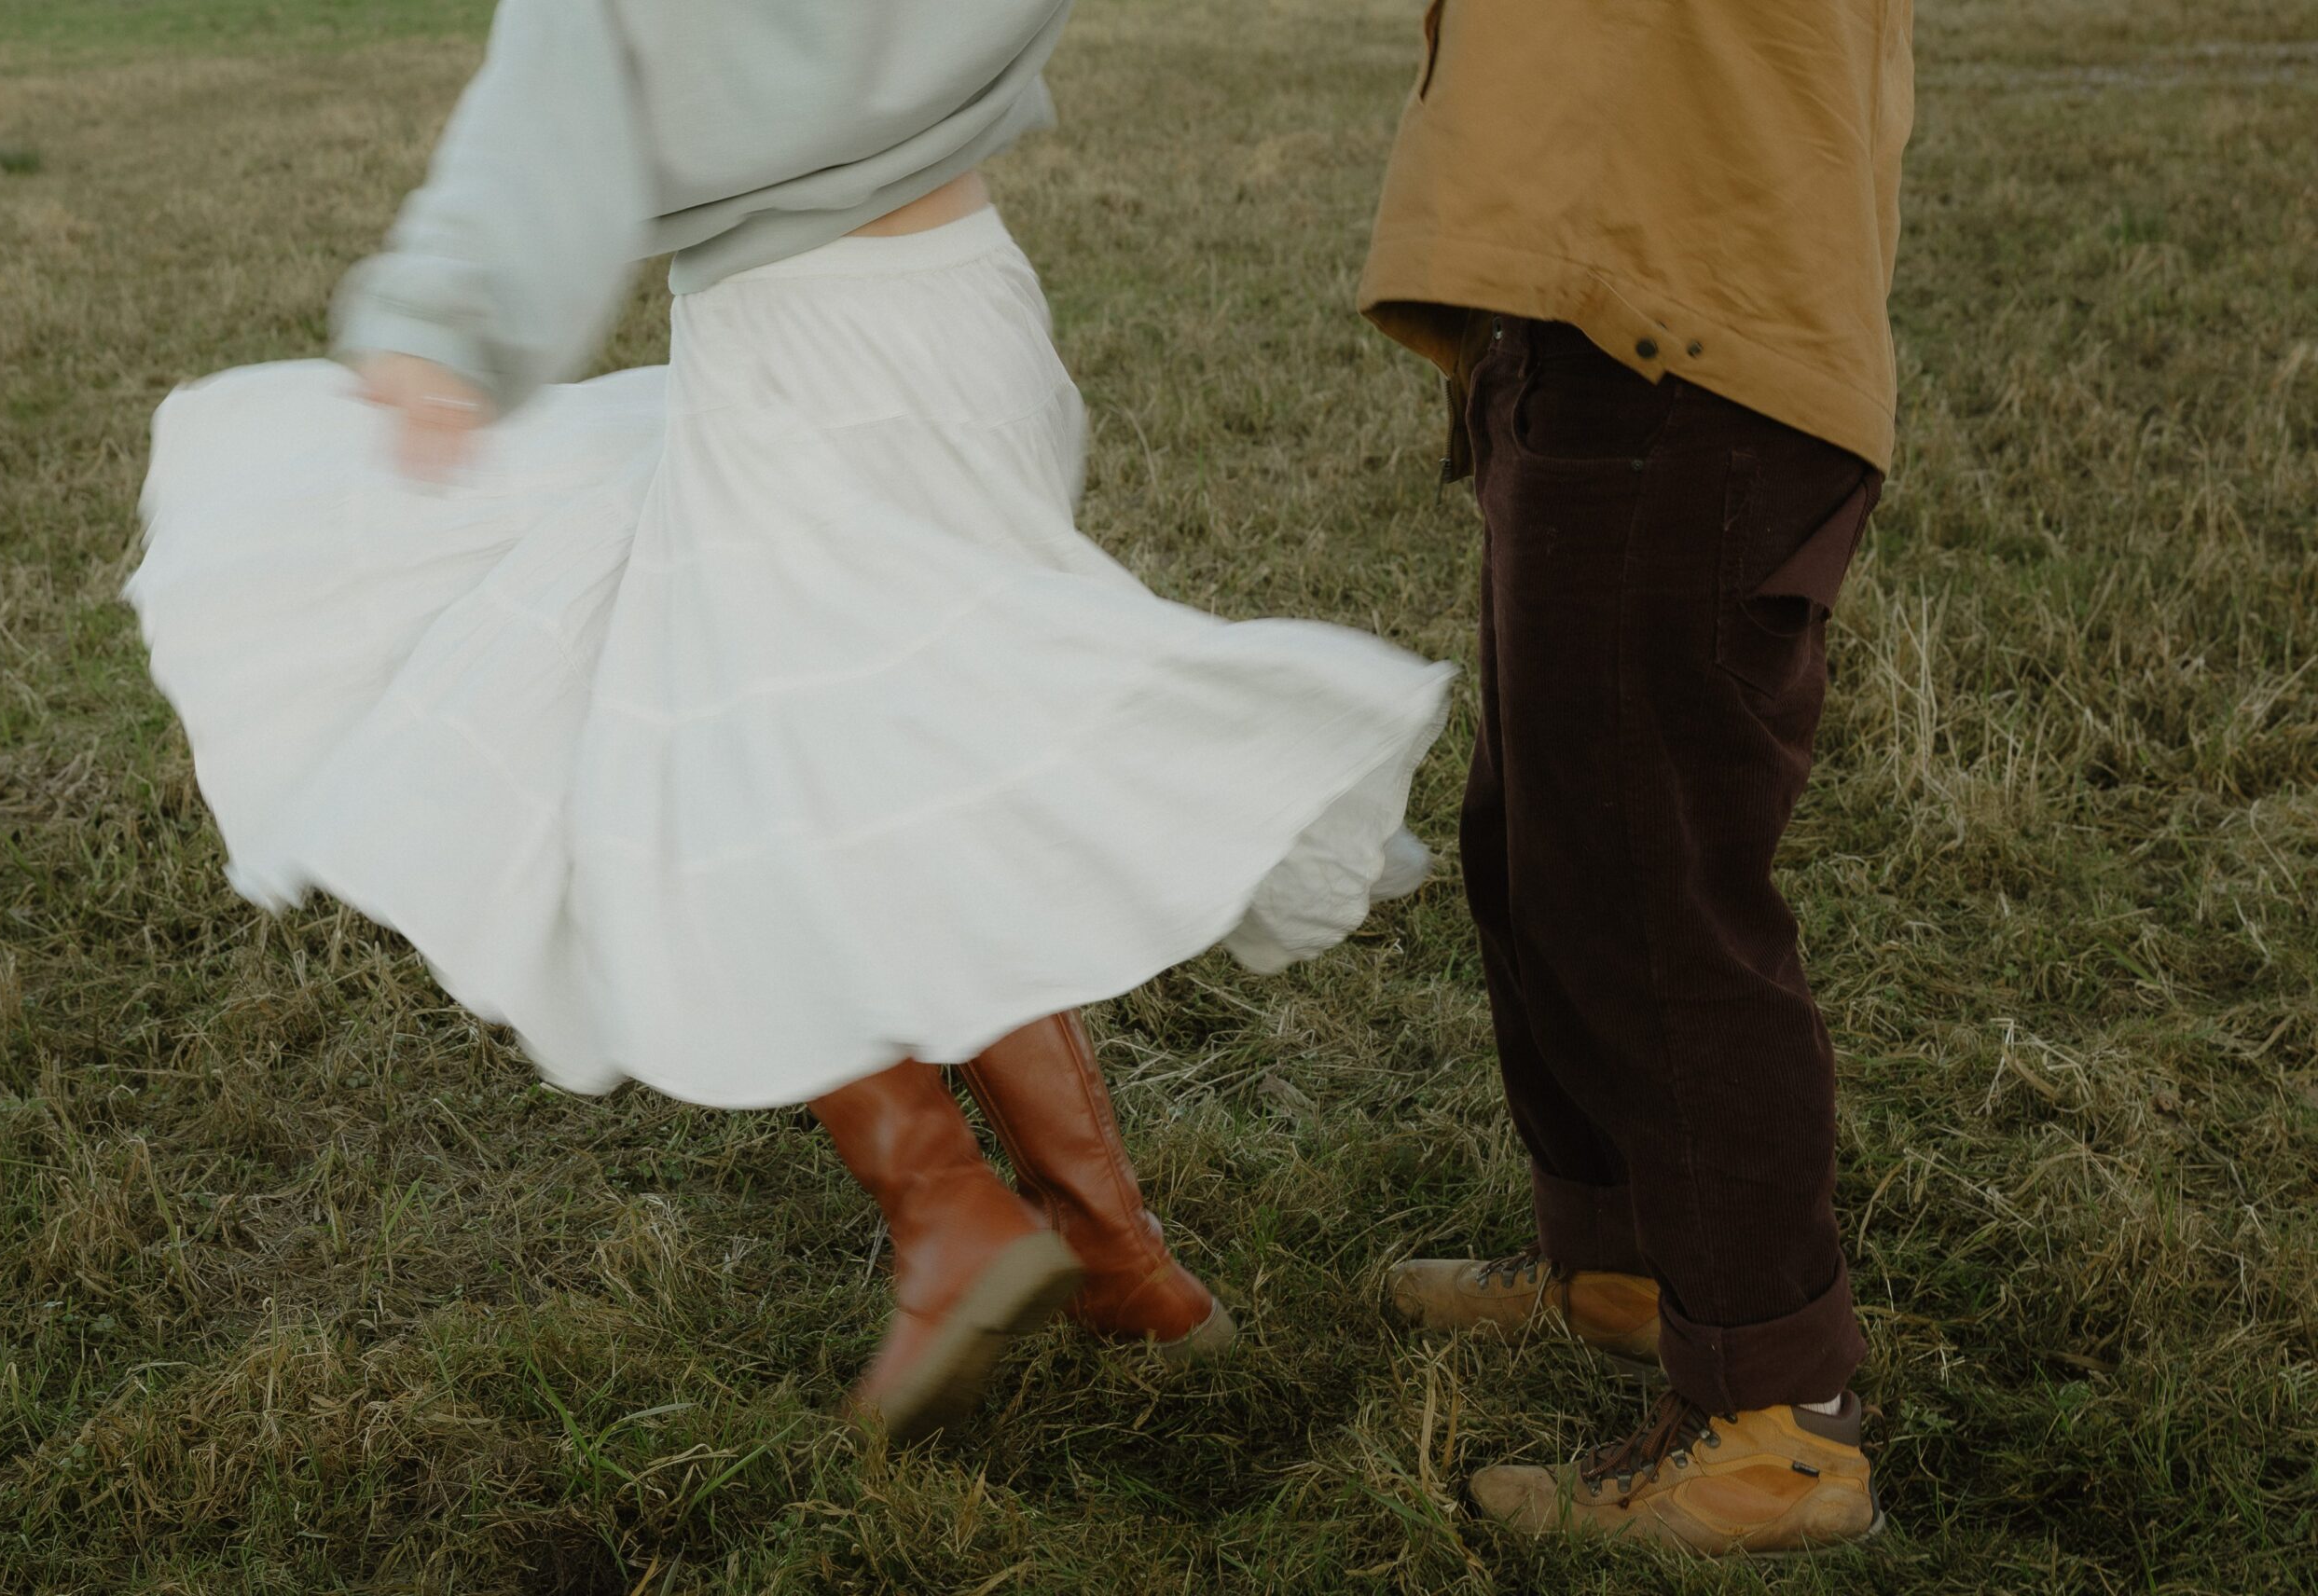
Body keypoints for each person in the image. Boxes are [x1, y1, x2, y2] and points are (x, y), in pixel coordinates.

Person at [128, 0, 1452, 1445]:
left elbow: (547, 113)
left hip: (805, 348)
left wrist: (445, 327)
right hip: (967, 306)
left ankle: (951, 1210)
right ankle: (1113, 1253)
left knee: (723, 777)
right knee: (904, 766)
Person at [1356, 0, 1915, 1553]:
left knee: (1652, 903)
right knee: (1537, 842)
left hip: (1695, 351)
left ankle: (1778, 1426)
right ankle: (1613, 1263)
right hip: (1601, 323)